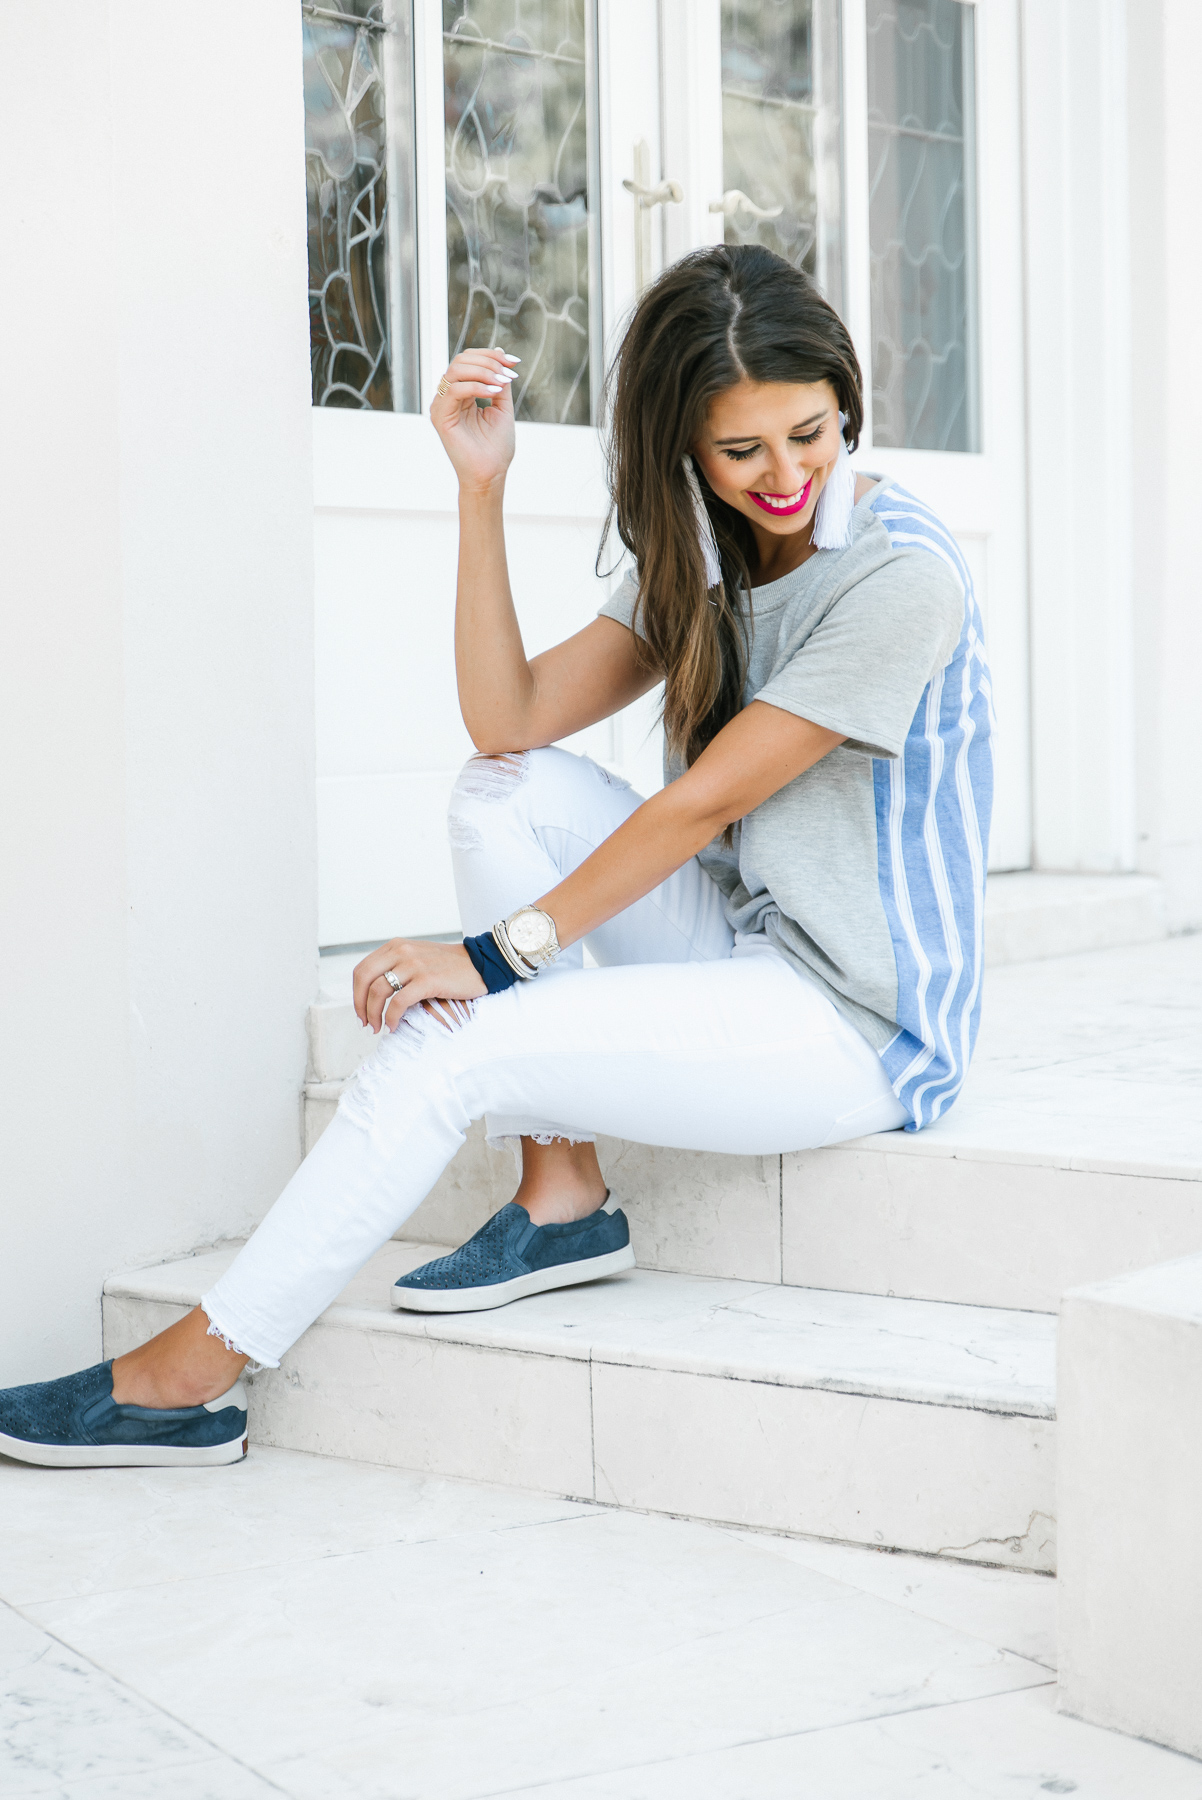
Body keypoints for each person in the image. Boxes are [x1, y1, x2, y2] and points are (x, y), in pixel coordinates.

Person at [0, 245, 993, 1469]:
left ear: (845, 405)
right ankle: (561, 1189)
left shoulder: (900, 575)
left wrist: (497, 955)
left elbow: (693, 808)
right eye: (742, 452)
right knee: (500, 792)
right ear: (683, 448)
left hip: (853, 1016)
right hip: (745, 935)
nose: (784, 477)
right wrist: (480, 491)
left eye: (812, 434)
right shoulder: (705, 547)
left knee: (456, 1042)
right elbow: (507, 716)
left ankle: (192, 1376)